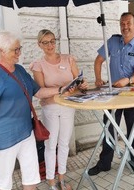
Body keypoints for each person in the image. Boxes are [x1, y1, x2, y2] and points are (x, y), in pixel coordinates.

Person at [0, 30, 54, 190]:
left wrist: (62, 89)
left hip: (26, 133)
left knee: (31, 176)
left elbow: (38, 92)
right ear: (1, 51)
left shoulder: (19, 70)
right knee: (3, 182)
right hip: (4, 139)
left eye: (20, 48)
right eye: (15, 50)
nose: (19, 53)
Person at [88, 12, 134, 176]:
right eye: (122, 23)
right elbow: (98, 60)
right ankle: (104, 163)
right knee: (109, 128)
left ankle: (133, 161)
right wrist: (98, 78)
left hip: (132, 94)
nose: (125, 26)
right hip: (113, 94)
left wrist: (127, 80)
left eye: (128, 23)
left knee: (133, 130)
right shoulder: (113, 41)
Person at [30, 29, 88, 190]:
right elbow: (40, 92)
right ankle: (50, 181)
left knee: (64, 144)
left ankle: (61, 178)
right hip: (50, 108)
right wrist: (61, 88)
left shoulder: (68, 59)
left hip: (68, 106)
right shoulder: (38, 65)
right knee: (51, 145)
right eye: (45, 42)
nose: (50, 45)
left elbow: (79, 81)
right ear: (39, 44)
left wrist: (82, 85)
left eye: (52, 41)